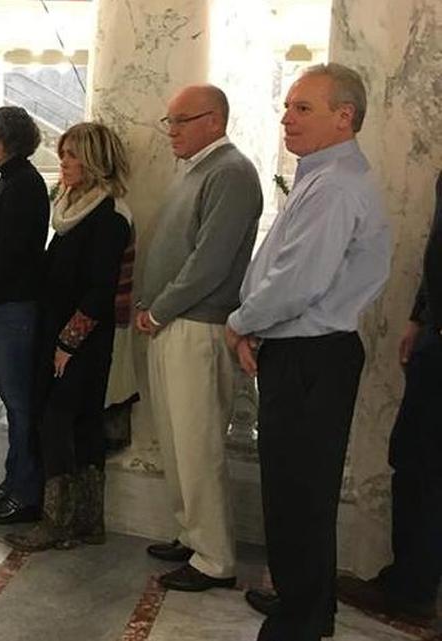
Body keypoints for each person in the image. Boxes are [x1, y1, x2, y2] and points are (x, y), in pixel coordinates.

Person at [228, 63, 391, 641]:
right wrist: (257, 326)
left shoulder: (336, 185)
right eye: (287, 106)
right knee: (297, 490)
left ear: (344, 117)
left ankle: (300, 620)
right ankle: (304, 603)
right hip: (303, 351)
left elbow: (298, 282)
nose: (286, 118)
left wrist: (240, 324)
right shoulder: (324, 176)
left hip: (311, 355)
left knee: (299, 494)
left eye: (302, 108)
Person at [134, 84, 263, 592]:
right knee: (177, 439)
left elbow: (210, 261)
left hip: (199, 324)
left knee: (197, 443)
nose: (170, 131)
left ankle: (214, 558)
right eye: (169, 121)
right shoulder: (198, 169)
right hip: (174, 323)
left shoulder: (231, 172)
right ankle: (191, 534)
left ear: (214, 120)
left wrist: (159, 309)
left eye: (180, 120)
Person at [6, 123, 132, 551]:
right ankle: (84, 521)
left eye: (73, 155)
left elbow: (99, 289)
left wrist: (67, 343)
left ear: (95, 161)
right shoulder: (69, 208)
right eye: (63, 154)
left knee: (60, 423)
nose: (64, 162)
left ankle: (59, 520)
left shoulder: (109, 214)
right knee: (75, 424)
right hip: (57, 332)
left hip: (81, 340)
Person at [335, 171, 442, 628]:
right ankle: (410, 585)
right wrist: (421, 316)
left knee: (425, 467)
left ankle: (413, 588)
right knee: (414, 462)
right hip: (434, 335)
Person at [0, 106, 51, 525]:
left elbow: (8, 254)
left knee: (21, 404)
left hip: (16, 305)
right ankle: (13, 481)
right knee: (13, 402)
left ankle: (27, 492)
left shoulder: (25, 185)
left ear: (9, 141)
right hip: (3, 304)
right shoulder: (9, 181)